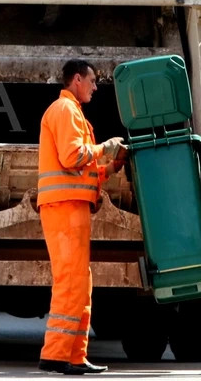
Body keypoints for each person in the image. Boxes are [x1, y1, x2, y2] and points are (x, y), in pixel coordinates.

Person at [37, 59, 125, 375]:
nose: (95, 87)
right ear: (77, 79)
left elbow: (80, 170)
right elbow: (73, 157)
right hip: (64, 209)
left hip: (70, 206)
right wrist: (106, 147)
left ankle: (74, 355)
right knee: (70, 283)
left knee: (79, 283)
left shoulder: (70, 112)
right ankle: (56, 355)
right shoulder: (65, 111)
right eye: (92, 80)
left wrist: (110, 168)